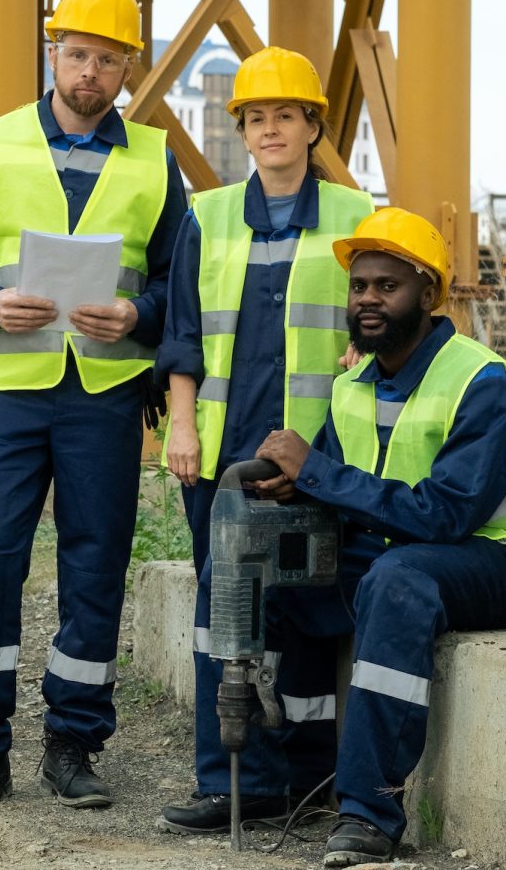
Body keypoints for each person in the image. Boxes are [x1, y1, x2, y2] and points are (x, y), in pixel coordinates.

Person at [160, 207, 506, 866]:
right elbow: (339, 483)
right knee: (251, 554)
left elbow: (445, 515)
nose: (369, 300)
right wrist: (291, 487)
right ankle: (267, 779)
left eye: (388, 286)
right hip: (398, 544)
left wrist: (318, 472)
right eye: (359, 287)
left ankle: (368, 811)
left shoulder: (482, 382)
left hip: (505, 559)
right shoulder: (355, 384)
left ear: (429, 295)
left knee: (397, 581)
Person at [0, 0, 187, 818]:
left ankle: (73, 746)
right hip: (9, 384)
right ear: (54, 54)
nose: (90, 73)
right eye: (77, 55)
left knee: (94, 567)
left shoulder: (155, 159)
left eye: (107, 61)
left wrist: (139, 314)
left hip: (104, 395)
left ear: (126, 73)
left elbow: (180, 281)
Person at [153, 46, 374, 831]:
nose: (270, 128)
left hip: (317, 457)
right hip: (221, 454)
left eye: (286, 115)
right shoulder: (206, 217)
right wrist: (181, 428)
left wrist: (368, 347)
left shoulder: (357, 216)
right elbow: (182, 337)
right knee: (227, 613)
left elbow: (388, 318)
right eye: (256, 117)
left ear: (314, 126)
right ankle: (230, 781)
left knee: (311, 610)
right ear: (239, 129)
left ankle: (308, 779)